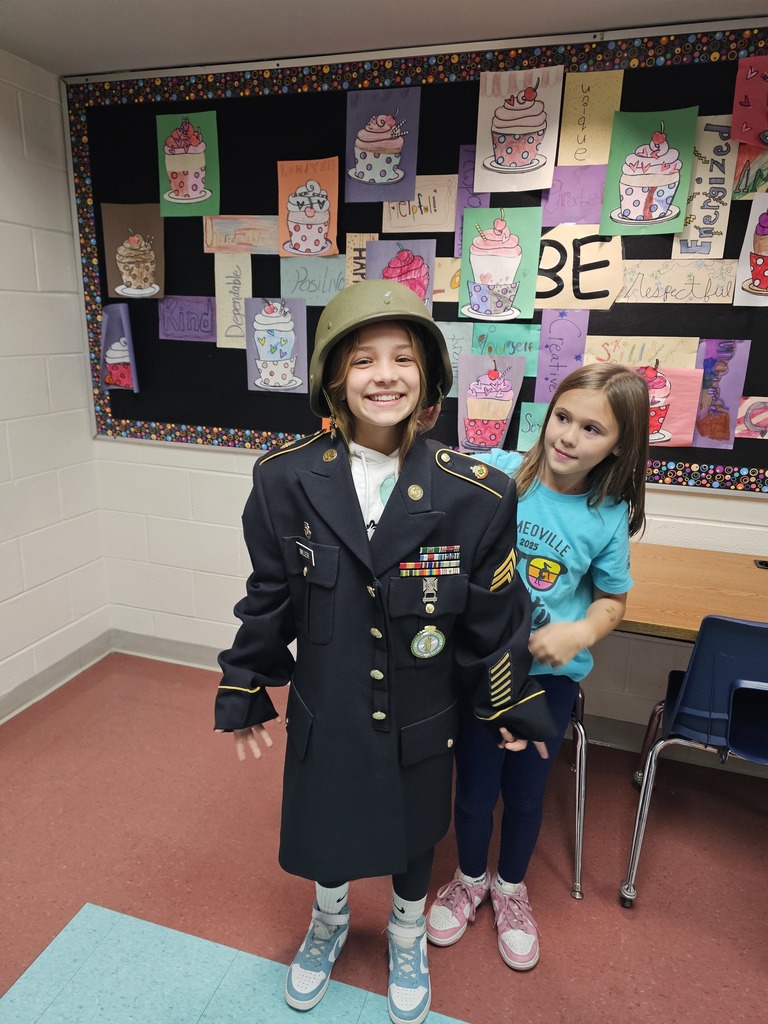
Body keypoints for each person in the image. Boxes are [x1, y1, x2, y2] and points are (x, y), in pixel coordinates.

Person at [214, 279, 551, 1024]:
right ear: (334, 379)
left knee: (411, 832)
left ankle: (406, 933)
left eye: (404, 357)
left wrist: (508, 701)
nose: (385, 374)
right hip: (326, 702)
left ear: (429, 376)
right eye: (363, 360)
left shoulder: (478, 494)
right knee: (326, 823)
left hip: (422, 711)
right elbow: (269, 593)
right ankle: (329, 921)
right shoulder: (284, 479)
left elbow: (495, 615)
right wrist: (244, 683)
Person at [426, 362, 650, 972]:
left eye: (592, 429)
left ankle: (510, 889)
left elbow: (613, 602)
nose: (569, 437)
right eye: (562, 417)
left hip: (547, 684)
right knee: (474, 788)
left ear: (620, 446)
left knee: (524, 795)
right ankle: (470, 878)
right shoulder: (500, 475)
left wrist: (580, 629)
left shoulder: (605, 519)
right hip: (482, 670)